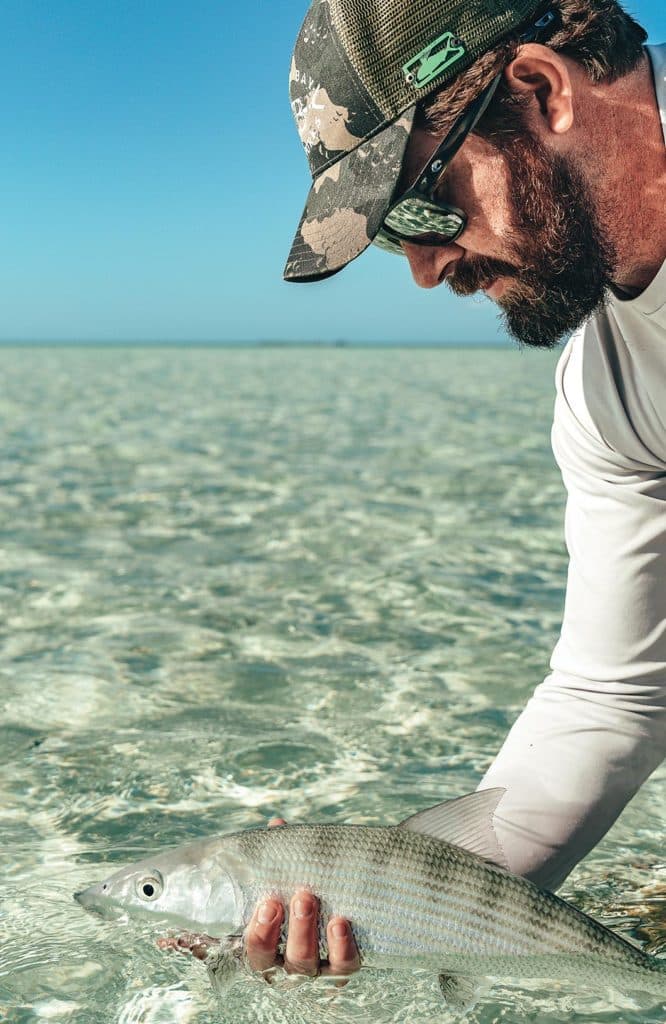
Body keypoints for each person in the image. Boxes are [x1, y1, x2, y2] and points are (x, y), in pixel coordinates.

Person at [244, 0, 666, 981]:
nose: (428, 270)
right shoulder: (606, 396)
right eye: (395, 239)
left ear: (541, 89)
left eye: (418, 207)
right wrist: (384, 892)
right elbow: (615, 694)